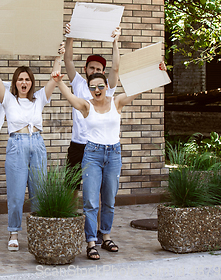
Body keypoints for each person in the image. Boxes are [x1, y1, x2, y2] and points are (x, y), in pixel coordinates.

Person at [52, 70, 149, 260]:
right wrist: (58, 82)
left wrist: (156, 72)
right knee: (90, 201)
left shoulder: (116, 102)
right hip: (92, 155)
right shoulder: (86, 106)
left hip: (113, 154)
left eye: (100, 86)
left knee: (109, 199)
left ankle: (106, 236)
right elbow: (70, 97)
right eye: (92, 87)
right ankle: (90, 242)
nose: (97, 90)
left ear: (106, 87)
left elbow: (138, 90)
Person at [0, 38, 64, 251]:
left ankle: (38, 231)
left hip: (37, 144)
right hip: (17, 145)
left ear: (31, 82)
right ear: (15, 82)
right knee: (15, 192)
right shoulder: (8, 99)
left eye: (27, 79)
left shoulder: (39, 98)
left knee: (39, 191)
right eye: (20, 79)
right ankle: (13, 232)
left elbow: (54, 77)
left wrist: (58, 56)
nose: (24, 83)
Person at [63, 24, 121, 194]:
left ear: (103, 72)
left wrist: (115, 42)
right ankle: (71, 221)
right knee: (71, 187)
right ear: (85, 69)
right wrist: (70, 36)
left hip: (99, 147)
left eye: (98, 69)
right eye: (92, 68)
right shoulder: (79, 83)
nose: (94, 71)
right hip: (78, 144)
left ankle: (95, 222)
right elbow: (68, 60)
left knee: (97, 191)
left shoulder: (107, 87)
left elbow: (116, 68)